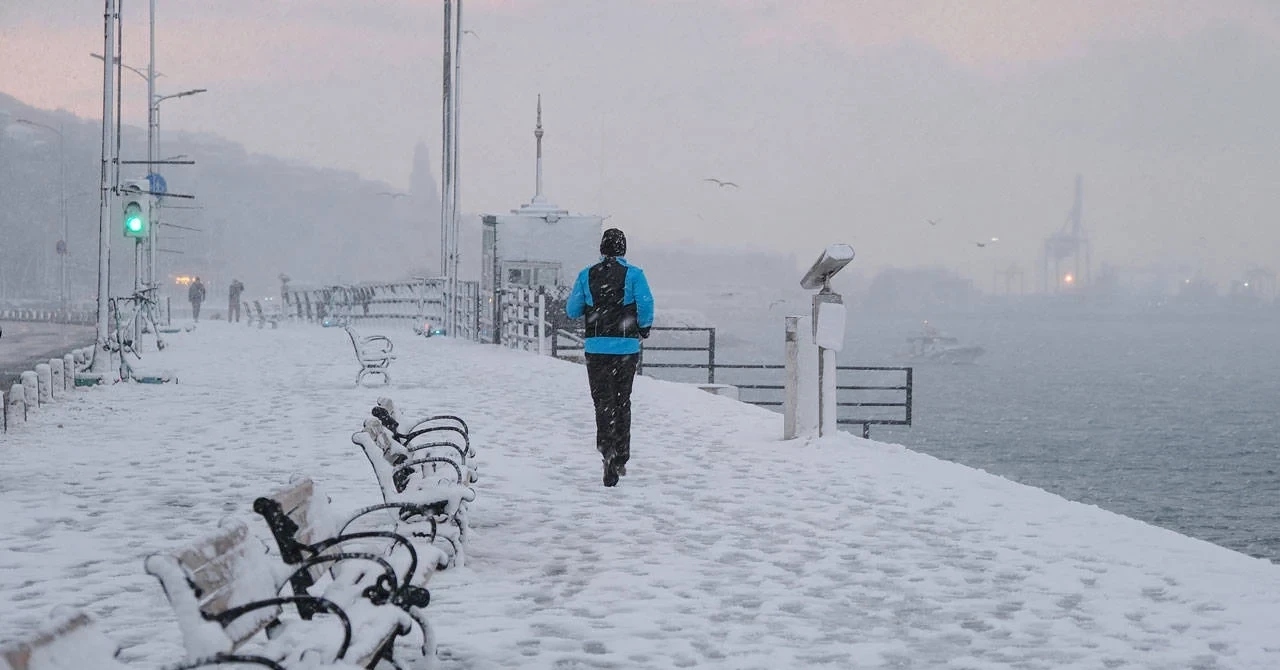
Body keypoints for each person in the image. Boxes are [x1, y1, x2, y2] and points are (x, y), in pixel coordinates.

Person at [565, 228, 655, 487]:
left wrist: (593, 306)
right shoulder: (635, 275)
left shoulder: (587, 274)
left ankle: (606, 451)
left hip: (596, 348)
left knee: (602, 402)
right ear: (624, 249)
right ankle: (621, 456)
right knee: (622, 401)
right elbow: (647, 305)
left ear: (602, 249)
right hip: (626, 348)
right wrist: (643, 327)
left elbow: (572, 310)